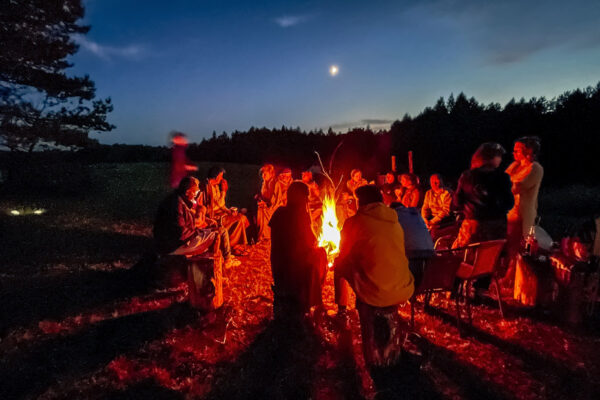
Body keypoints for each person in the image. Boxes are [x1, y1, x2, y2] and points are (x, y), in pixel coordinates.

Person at [334, 185, 414, 368]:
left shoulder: (354, 222)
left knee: (339, 265)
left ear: (361, 202)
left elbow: (343, 253)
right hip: (403, 287)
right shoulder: (395, 221)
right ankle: (393, 346)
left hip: (375, 293)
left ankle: (342, 309)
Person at [153, 176, 240, 268]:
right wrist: (197, 230)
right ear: (187, 192)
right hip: (174, 247)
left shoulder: (177, 199)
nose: (196, 194)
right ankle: (227, 261)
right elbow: (181, 233)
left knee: (213, 230)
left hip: (171, 243)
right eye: (195, 191)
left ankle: (225, 257)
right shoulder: (177, 205)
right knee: (221, 232)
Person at [269, 181, 327, 319]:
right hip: (294, 266)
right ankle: (311, 298)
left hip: (278, 264)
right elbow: (310, 241)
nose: (307, 199)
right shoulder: (301, 216)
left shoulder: (279, 212)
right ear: (302, 198)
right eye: (306, 196)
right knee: (321, 255)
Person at [452, 143, 514, 249]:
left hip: (472, 226)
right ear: (491, 158)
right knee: (491, 257)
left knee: (468, 257)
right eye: (499, 156)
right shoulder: (502, 178)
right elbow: (509, 203)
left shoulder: (466, 176)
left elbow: (457, 202)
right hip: (496, 226)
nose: (500, 160)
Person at [504, 137, 544, 285]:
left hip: (524, 212)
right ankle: (508, 274)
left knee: (519, 245)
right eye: (513, 150)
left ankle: (514, 278)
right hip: (509, 211)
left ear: (528, 151)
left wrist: (506, 188)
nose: (514, 153)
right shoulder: (514, 166)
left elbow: (519, 187)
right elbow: (503, 181)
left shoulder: (535, 168)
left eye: (518, 150)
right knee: (509, 244)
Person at [202, 166, 250, 248]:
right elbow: (219, 204)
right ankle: (232, 245)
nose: (222, 179)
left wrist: (228, 211)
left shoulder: (215, 186)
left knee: (242, 217)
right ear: (216, 176)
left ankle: (237, 244)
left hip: (220, 212)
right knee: (239, 220)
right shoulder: (207, 187)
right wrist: (224, 191)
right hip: (213, 216)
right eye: (221, 176)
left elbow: (221, 205)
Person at [421, 174, 453, 238]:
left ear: (441, 181)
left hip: (444, 218)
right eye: (432, 182)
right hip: (431, 217)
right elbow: (425, 207)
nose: (434, 183)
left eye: (436, 181)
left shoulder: (447, 193)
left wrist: (432, 222)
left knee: (433, 231)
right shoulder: (428, 193)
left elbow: (445, 211)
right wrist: (425, 219)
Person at [256, 164, 277, 241]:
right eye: (262, 174)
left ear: (271, 174)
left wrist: (266, 204)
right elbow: (264, 195)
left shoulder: (274, 183)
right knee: (260, 208)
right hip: (267, 204)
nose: (263, 176)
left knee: (263, 210)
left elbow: (275, 200)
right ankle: (261, 235)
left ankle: (266, 236)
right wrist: (259, 197)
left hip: (274, 207)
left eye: (265, 174)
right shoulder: (265, 183)